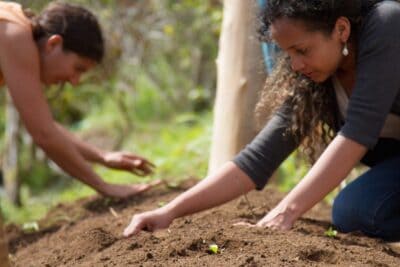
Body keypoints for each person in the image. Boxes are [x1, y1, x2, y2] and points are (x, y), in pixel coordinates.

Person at [124, 0, 400, 241]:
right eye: (289, 54)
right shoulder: (317, 76)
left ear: (341, 29)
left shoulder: (388, 24)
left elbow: (358, 132)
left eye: (302, 50)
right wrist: (169, 211)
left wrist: (285, 212)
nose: (295, 65)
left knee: (356, 209)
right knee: (357, 210)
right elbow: (257, 159)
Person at [0, 1, 158, 199]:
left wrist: (103, 157)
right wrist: (105, 187)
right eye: (78, 68)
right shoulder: (15, 34)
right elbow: (43, 133)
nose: (74, 81)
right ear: (53, 44)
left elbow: (44, 126)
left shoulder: (11, 28)